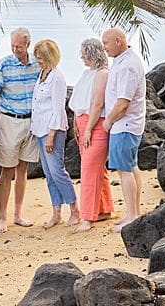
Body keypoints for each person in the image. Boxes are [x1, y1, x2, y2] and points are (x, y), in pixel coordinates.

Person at [0, 27, 39, 231]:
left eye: (19, 46)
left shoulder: (38, 63)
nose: (15, 49)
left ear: (28, 44)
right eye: (13, 46)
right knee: (7, 169)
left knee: (23, 168)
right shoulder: (3, 65)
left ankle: (18, 214)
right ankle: (2, 216)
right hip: (10, 120)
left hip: (31, 121)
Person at [101, 27, 147, 229]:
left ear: (118, 41)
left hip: (125, 125)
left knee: (124, 170)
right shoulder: (122, 61)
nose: (104, 47)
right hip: (128, 124)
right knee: (131, 166)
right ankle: (133, 212)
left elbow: (123, 103)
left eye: (106, 43)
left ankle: (132, 216)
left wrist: (108, 121)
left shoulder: (128, 65)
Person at [31, 39, 78, 228]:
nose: (38, 61)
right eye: (37, 58)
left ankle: (74, 209)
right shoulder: (42, 74)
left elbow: (58, 109)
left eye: (41, 58)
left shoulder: (57, 78)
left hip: (53, 131)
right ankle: (56, 212)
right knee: (49, 174)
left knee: (58, 172)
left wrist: (51, 135)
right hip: (39, 129)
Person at [70, 37, 113, 232]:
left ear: (93, 54)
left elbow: (98, 103)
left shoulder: (102, 74)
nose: (82, 58)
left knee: (88, 170)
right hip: (83, 121)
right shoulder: (87, 73)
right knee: (97, 169)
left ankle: (87, 216)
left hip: (95, 124)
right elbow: (79, 100)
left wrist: (88, 128)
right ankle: (104, 209)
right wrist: (77, 123)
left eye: (84, 54)